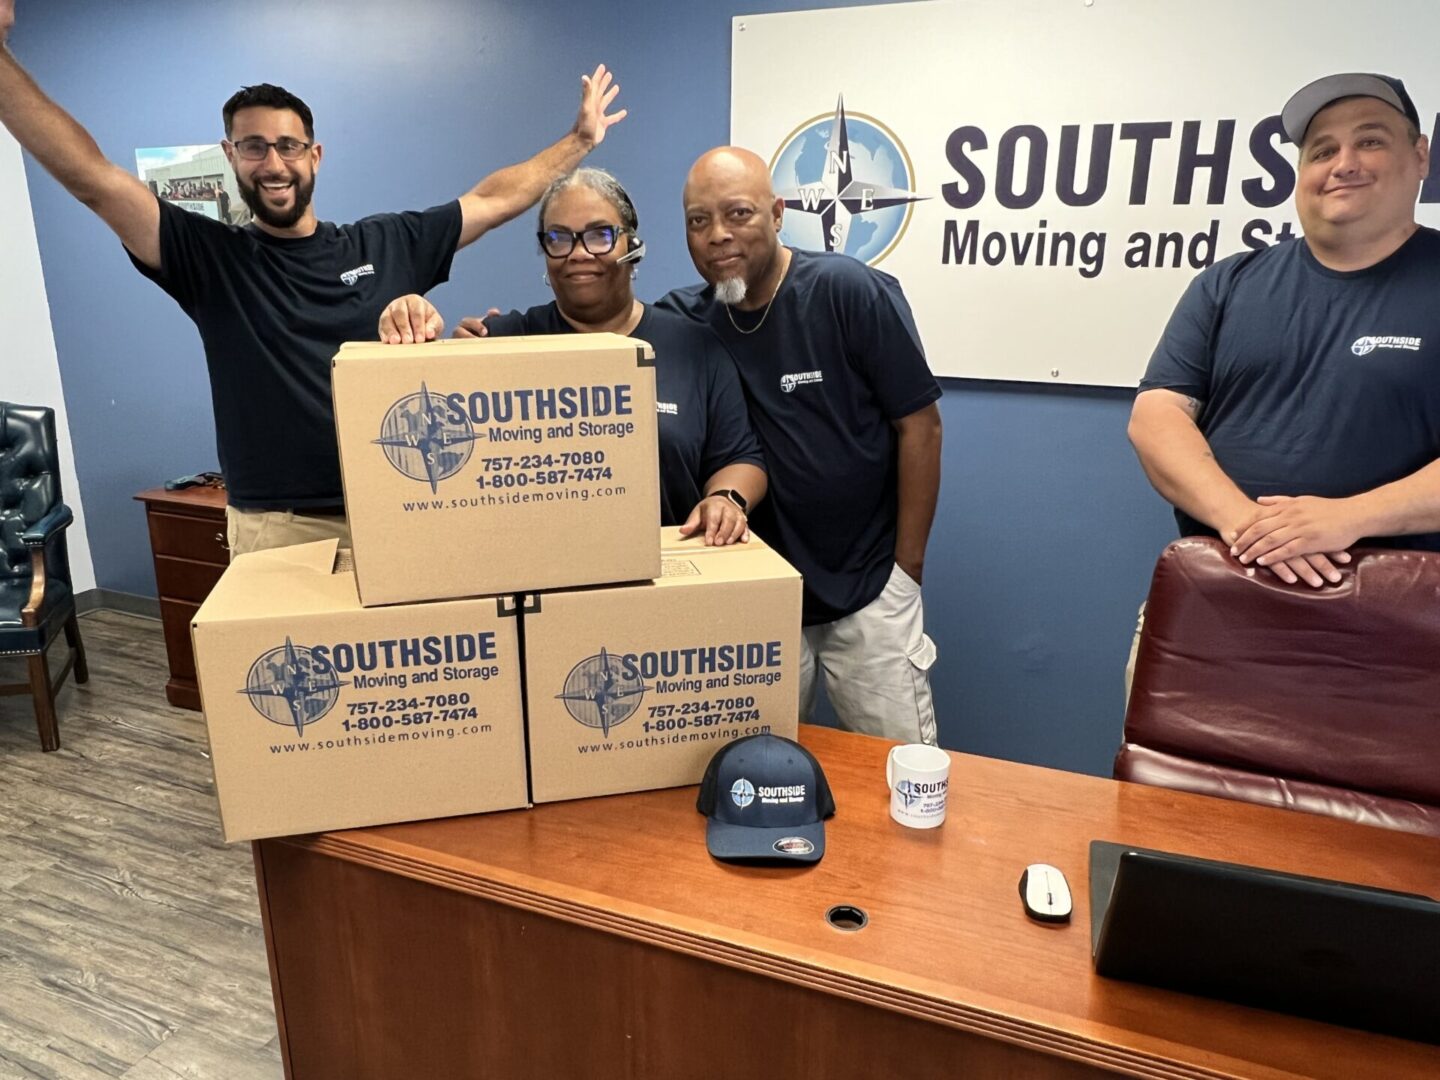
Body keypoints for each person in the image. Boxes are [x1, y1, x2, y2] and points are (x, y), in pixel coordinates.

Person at [0, 0, 625, 556]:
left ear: (314, 155)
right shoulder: (209, 259)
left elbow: (493, 199)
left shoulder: (387, 243)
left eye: (288, 146)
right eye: (253, 147)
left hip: (404, 510)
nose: (273, 164)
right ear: (231, 158)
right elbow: (92, 178)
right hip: (278, 526)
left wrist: (579, 140)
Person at [1127, 72, 1440, 687]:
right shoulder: (1230, 282)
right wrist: (1250, 524)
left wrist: (1346, 518)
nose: (1343, 163)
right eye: (1321, 150)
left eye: (1370, 141)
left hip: (1398, 635)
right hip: (1216, 607)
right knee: (1159, 785)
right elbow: (1156, 418)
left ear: (1421, 155)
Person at [657, 147, 943, 744]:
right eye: (698, 221)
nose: (718, 235)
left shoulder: (847, 291)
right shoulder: (683, 320)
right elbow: (597, 330)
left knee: (901, 771)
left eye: (738, 213)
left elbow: (921, 426)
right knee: (765, 774)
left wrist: (906, 572)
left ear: (778, 213)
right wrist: (500, 334)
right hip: (757, 600)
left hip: (866, 593)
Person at [378, 168, 767, 545]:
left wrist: (726, 498)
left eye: (600, 235)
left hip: (665, 576)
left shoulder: (695, 347)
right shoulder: (502, 342)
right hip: (537, 585)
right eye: (559, 238)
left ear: (631, 245)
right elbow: (431, 442)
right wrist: (411, 324)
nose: (578, 253)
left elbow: (739, 456)